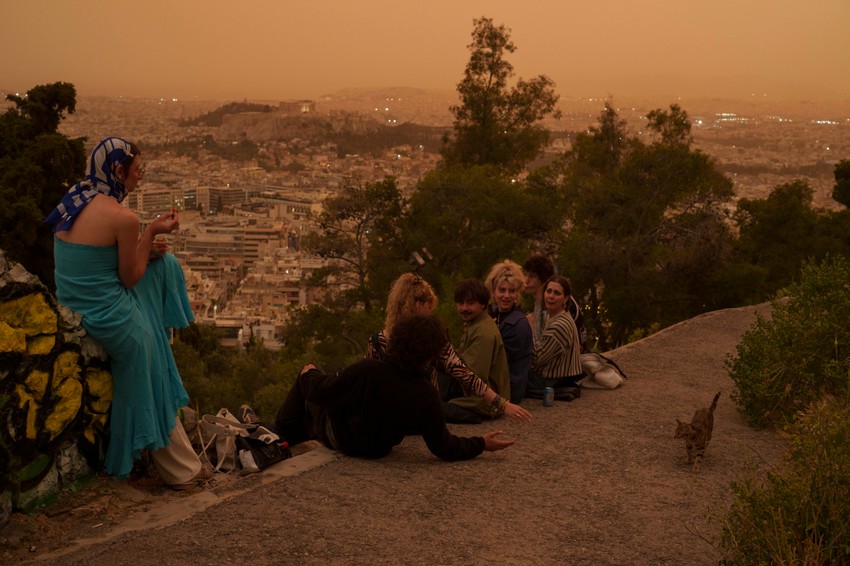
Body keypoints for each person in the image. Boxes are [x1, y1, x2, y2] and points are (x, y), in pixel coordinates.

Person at [45, 137, 209, 489]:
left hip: (75, 299)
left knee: (164, 265)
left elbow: (97, 259)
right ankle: (179, 470)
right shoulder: (124, 217)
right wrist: (149, 232)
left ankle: (154, 333)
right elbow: (130, 278)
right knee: (150, 357)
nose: (140, 178)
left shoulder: (77, 196)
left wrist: (145, 247)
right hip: (105, 313)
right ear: (118, 170)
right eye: (137, 171)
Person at [275, 315, 515, 460]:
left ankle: (278, 434)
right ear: (429, 353)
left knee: (309, 378)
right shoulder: (427, 394)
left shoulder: (370, 370)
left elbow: (320, 391)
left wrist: (309, 373)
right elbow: (444, 446)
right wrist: (481, 443)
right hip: (378, 449)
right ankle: (289, 434)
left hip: (342, 438)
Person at [365, 273, 531, 423]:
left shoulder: (376, 341)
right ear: (418, 305)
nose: (430, 315)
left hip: (388, 419)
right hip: (421, 417)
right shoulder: (433, 339)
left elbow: (369, 385)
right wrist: (502, 404)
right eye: (429, 309)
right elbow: (466, 375)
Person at [447, 279, 511, 419]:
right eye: (460, 303)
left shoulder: (483, 332)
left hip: (486, 401)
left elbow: (472, 374)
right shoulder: (474, 323)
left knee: (435, 409)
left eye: (470, 303)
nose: (464, 308)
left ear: (483, 304)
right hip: (480, 394)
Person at [527, 275, 585, 400]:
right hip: (558, 377)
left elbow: (537, 358)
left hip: (550, 380)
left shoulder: (559, 325)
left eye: (557, 293)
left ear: (566, 298)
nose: (551, 296)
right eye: (549, 291)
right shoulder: (556, 315)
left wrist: (530, 328)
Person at [485, 260, 533, 404]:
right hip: (496, 385)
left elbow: (496, 361)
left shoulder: (518, 325)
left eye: (511, 291)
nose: (506, 296)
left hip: (507, 392)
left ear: (517, 294)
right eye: (502, 290)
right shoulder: (493, 314)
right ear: (493, 291)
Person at [522, 253, 587, 352]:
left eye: (531, 276)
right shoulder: (540, 303)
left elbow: (578, 346)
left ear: (544, 279)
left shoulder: (559, 304)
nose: (525, 281)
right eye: (525, 274)